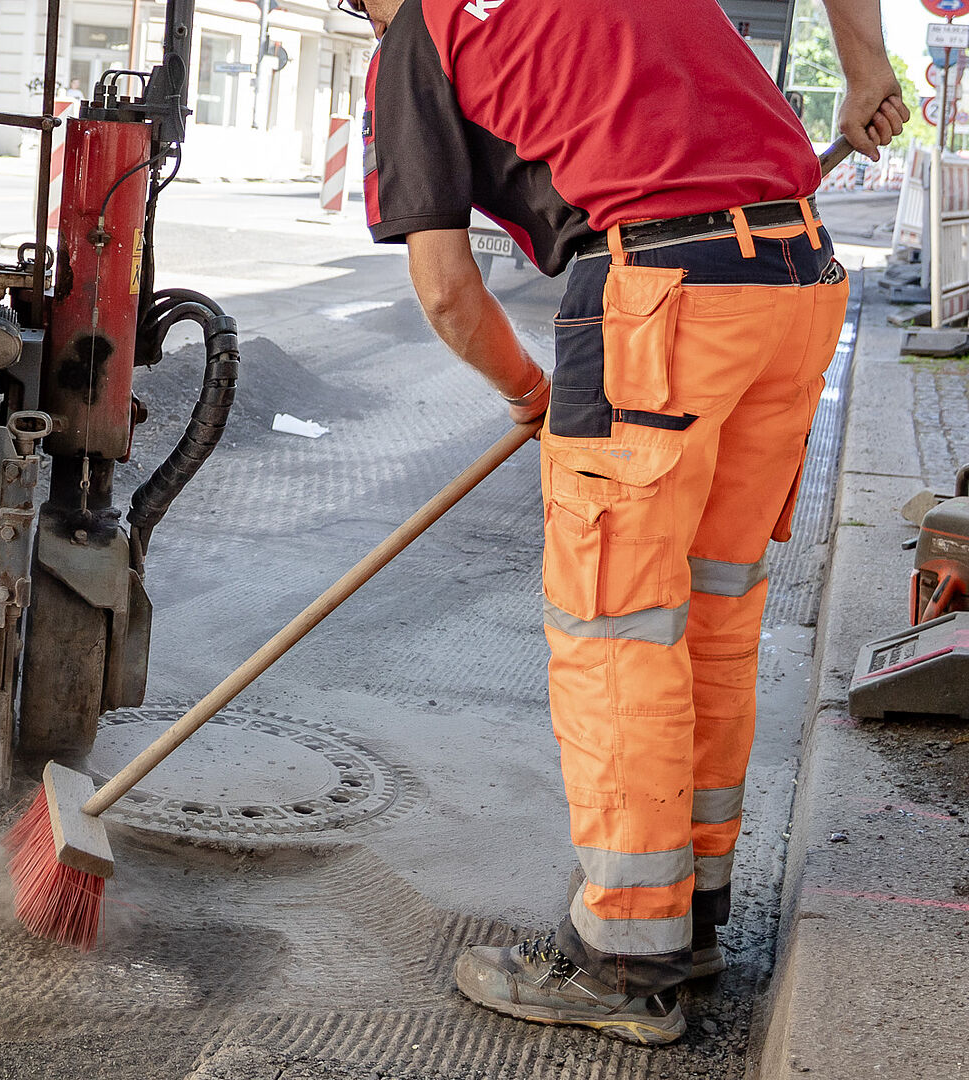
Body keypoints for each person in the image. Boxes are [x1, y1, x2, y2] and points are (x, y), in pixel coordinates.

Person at [352, 0, 906, 1045]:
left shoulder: (421, 35)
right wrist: (868, 63)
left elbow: (445, 290)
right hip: (794, 277)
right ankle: (689, 913)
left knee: (617, 629)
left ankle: (626, 962)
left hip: (662, 302)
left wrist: (527, 395)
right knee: (710, 610)